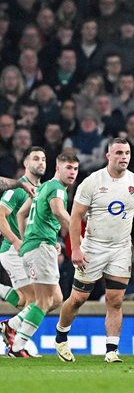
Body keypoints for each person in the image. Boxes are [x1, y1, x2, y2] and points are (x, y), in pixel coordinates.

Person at [53, 138, 134, 363]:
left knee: (116, 299)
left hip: (121, 248)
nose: (124, 157)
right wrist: (76, 249)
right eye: (119, 152)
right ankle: (61, 336)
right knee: (79, 298)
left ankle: (112, 350)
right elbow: (75, 217)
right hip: (93, 247)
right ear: (108, 156)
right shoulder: (92, 182)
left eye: (127, 152)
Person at [6, 152, 79, 357]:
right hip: (41, 247)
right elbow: (57, 211)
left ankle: (10, 326)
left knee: (55, 299)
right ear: (58, 168)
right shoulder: (57, 189)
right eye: (68, 168)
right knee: (45, 301)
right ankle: (18, 346)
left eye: (75, 169)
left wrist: (27, 239)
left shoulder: (42, 187)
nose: (72, 172)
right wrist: (78, 235)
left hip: (34, 246)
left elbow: (21, 214)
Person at [0, 147, 46, 346]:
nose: (41, 162)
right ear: (25, 163)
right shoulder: (18, 189)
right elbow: (0, 216)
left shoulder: (44, 189)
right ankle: (17, 343)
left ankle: (15, 342)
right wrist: (16, 241)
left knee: (24, 302)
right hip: (13, 250)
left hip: (31, 250)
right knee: (40, 299)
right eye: (35, 158)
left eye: (44, 159)